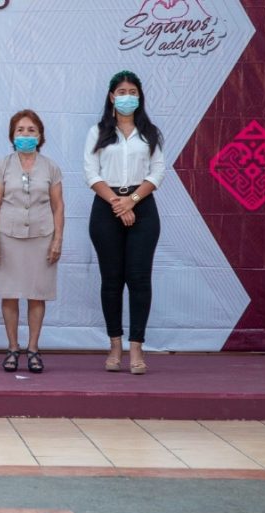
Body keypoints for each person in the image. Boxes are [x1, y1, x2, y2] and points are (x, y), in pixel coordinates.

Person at [83, 70, 165, 375]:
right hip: (106, 207)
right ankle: (115, 345)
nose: (127, 96)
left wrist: (132, 200)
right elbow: (91, 173)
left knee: (140, 279)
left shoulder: (150, 133)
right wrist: (118, 203)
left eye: (132, 91)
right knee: (112, 280)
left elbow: (157, 173)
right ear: (111, 97)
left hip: (142, 208)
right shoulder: (98, 132)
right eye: (121, 91)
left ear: (139, 96)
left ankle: (136, 347)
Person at [0, 110, 64, 374]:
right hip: (8, 237)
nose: (26, 135)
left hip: (42, 237)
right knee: (9, 294)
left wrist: (57, 240)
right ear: (12, 135)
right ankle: (12, 347)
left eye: (31, 130)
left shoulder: (51, 167)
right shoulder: (2, 166)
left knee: (36, 294)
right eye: (21, 130)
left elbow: (58, 207)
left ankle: (33, 349)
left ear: (40, 135)